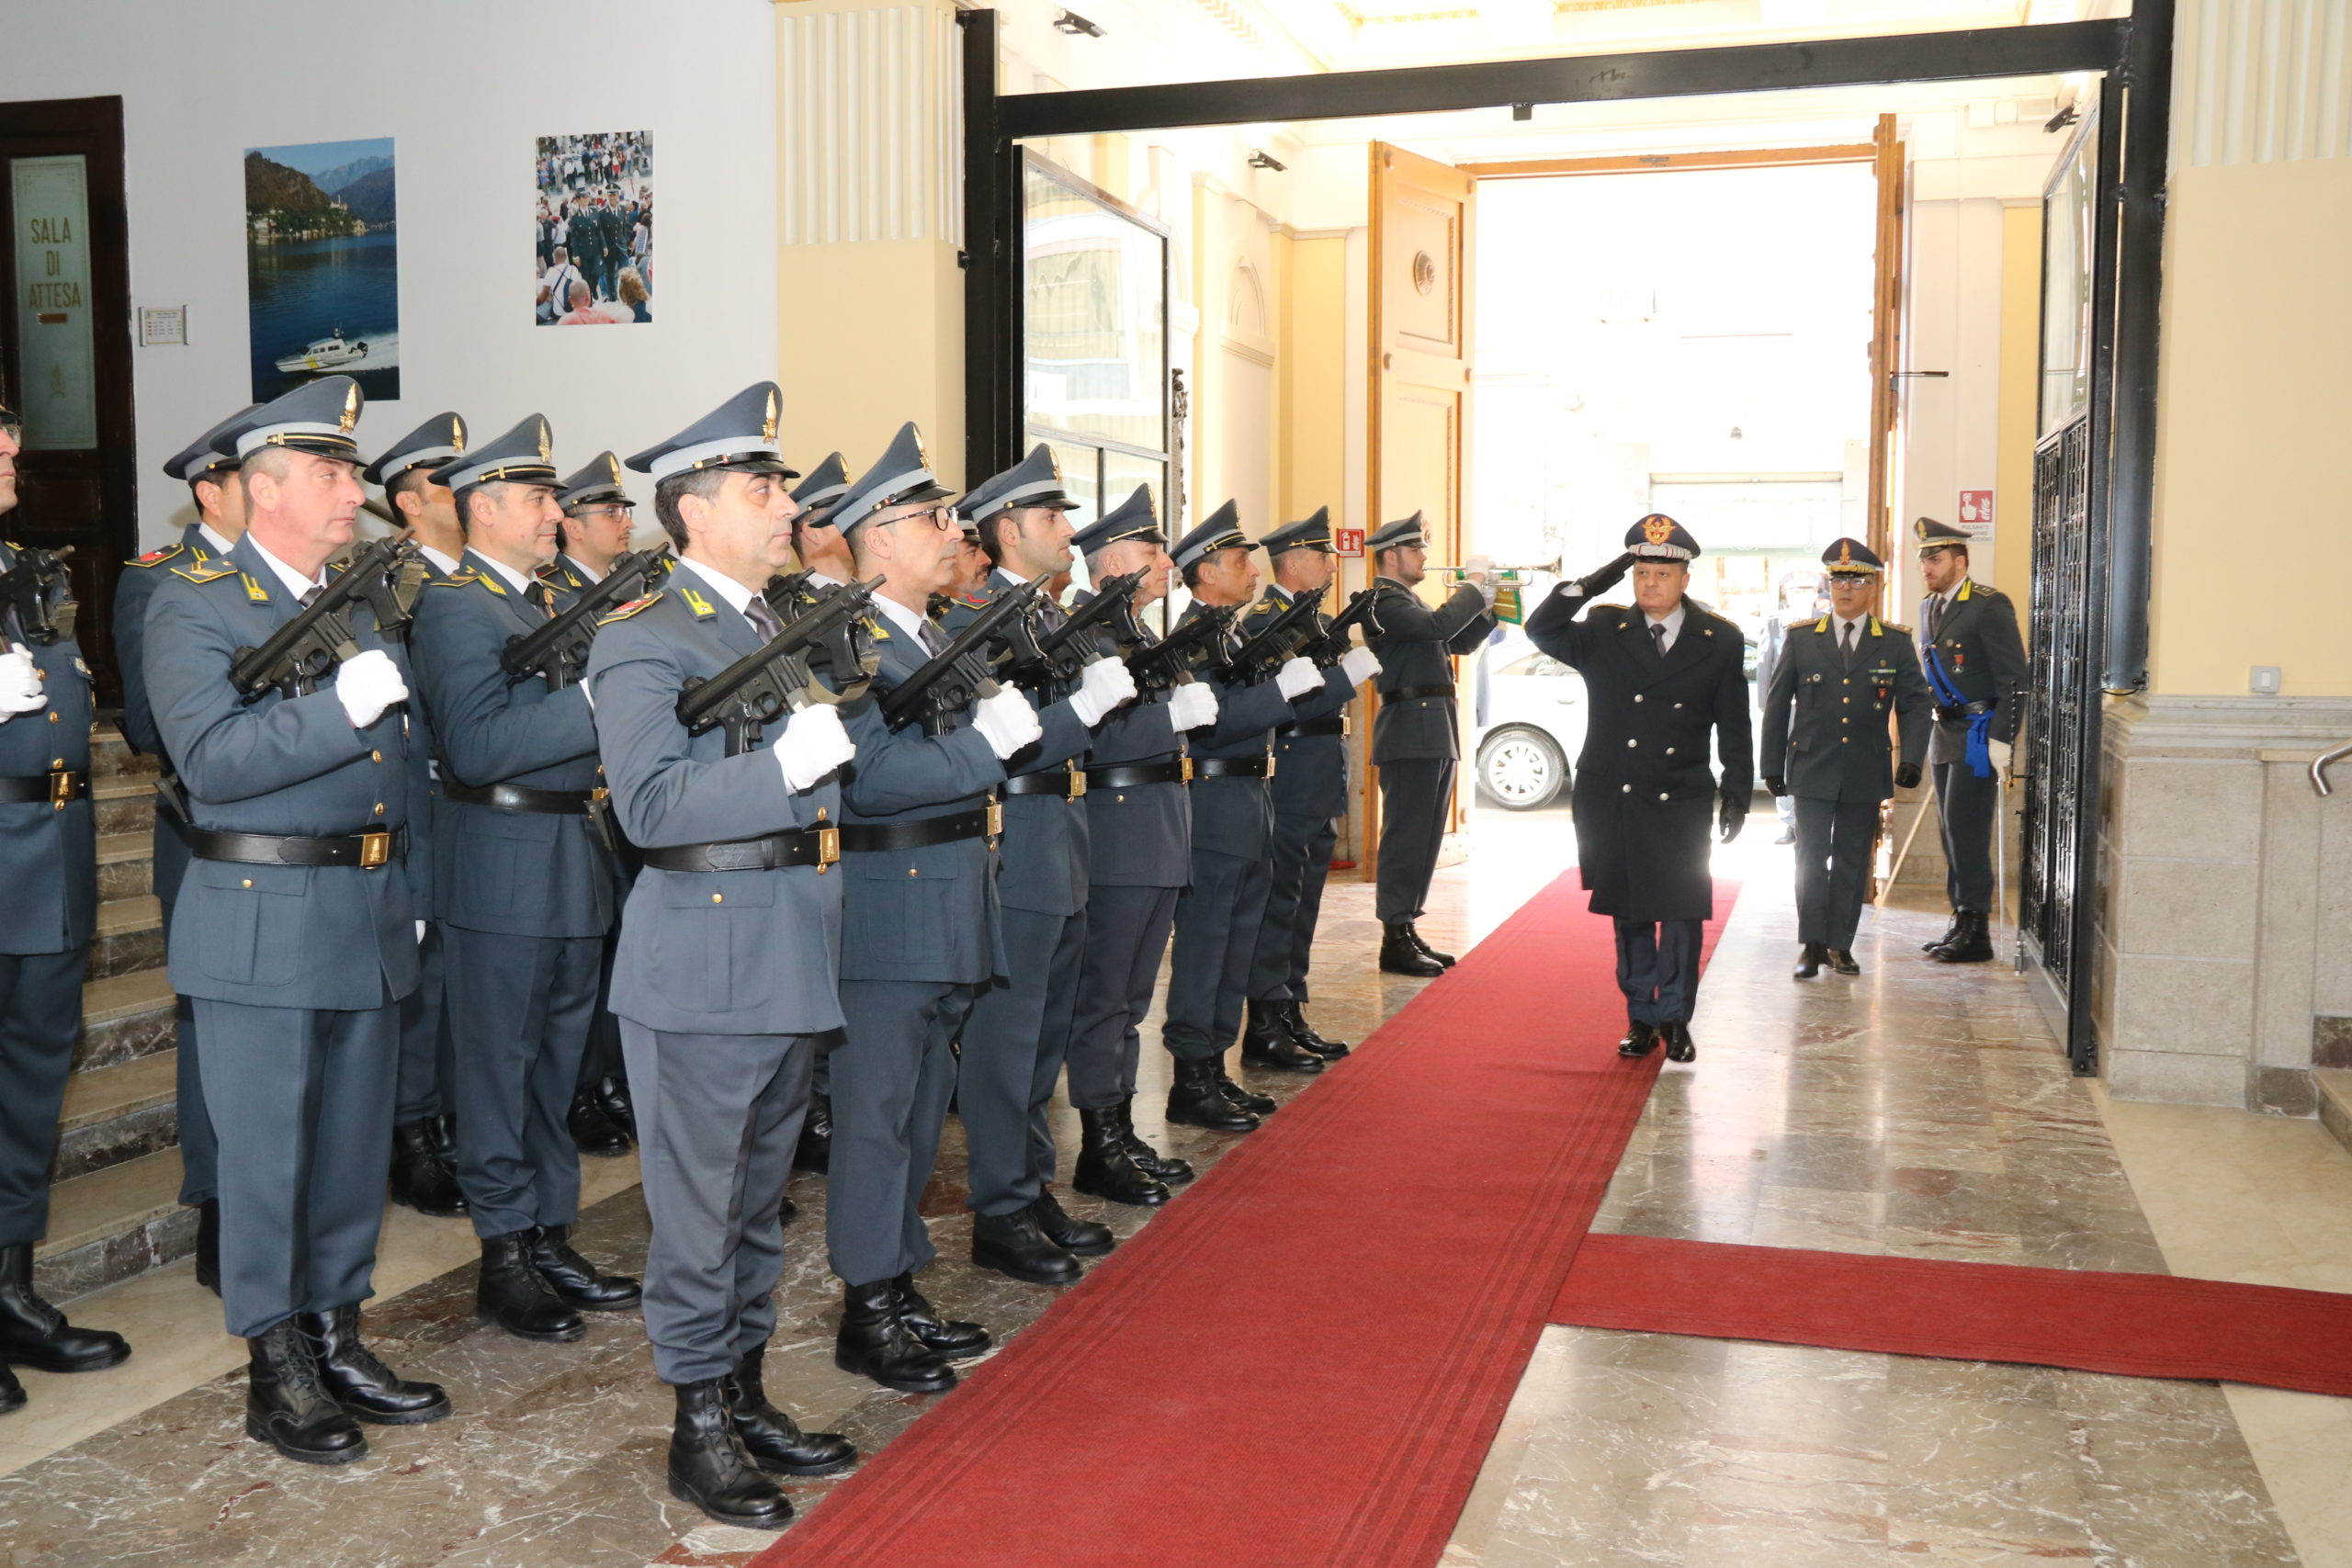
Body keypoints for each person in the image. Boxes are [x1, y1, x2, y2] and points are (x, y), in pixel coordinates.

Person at [144, 378, 449, 1463]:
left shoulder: (355, 601)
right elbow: (214, 761)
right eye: (331, 473)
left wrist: (404, 886)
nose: (353, 490)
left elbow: (399, 768)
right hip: (263, 913)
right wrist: (339, 708)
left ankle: (336, 1331)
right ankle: (275, 1367)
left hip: (365, 904)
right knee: (269, 1154)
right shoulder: (193, 601)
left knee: (350, 1146)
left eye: (351, 472)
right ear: (263, 489)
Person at [588, 383, 856, 1529]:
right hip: (700, 955)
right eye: (767, 488)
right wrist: (783, 770)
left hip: (786, 942)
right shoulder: (642, 637)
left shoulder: (767, 629)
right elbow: (648, 805)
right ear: (697, 513)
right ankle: (696, 1421)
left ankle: (742, 1392)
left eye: (782, 485)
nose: (789, 503)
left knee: (755, 1202)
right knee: (698, 1209)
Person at [822, 423, 1048, 1394]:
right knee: (875, 1116)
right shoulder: (849, 642)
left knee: (918, 1116)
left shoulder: (935, 633)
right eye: (931, 517)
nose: (952, 530)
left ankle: (898, 1278)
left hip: (954, 894)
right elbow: (871, 781)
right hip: (889, 903)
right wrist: (986, 748)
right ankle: (865, 1309)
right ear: (877, 537)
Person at [406, 417, 640, 1345]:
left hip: (566, 857)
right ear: (484, 508)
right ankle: (505, 1253)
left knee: (555, 1069)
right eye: (541, 499)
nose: (557, 513)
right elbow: (478, 745)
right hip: (501, 862)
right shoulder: (457, 606)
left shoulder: (539, 601)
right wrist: (593, 696)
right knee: (499, 1072)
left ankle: (550, 1232)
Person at [944, 446, 1135, 1286]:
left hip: (1063, 830)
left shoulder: (1048, 617)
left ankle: (1030, 1187)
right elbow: (1006, 738)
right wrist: (1080, 712)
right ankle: (999, 1208)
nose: (1068, 531)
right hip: (1016, 836)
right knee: (1007, 1040)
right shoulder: (972, 619)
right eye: (1053, 518)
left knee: (1046, 1036)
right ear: (1008, 529)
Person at [0, 397, 133, 1420]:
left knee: (31, 1085)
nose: (12, 456)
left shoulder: (27, 570)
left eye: (10, 440)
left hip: (47, 858)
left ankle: (9, 1289)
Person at [114, 409, 257, 1296]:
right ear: (211, 490)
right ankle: (214, 1202)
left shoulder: (304, 581)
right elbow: (145, 724)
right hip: (202, 835)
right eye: (256, 477)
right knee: (213, 1032)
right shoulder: (161, 580)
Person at [1525, 513, 1753, 1065]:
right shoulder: (1603, 630)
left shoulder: (1718, 639)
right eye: (1641, 572)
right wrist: (1594, 581)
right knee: (1630, 912)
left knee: (1680, 911)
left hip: (1682, 795)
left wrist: (1738, 792)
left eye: (1661, 574)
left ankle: (1675, 1018)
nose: (1650, 583)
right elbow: (1541, 630)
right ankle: (1640, 1016)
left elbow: (1735, 723)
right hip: (1615, 795)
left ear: (1685, 580)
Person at [1063, 486, 1224, 1203]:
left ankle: (1121, 1128)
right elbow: (1096, 738)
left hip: (1159, 824)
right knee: (1106, 996)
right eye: (1149, 549)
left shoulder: (1139, 635)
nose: (1166, 560)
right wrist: (1171, 722)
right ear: (1108, 566)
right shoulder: (1086, 636)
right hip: (1121, 830)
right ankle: (1098, 1143)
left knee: (1130, 998)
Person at [1163, 502, 1346, 1096]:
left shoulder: (1232, 632)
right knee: (1207, 943)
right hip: (1215, 801)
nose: (1252, 570)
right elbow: (1211, 723)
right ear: (1207, 572)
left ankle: (1216, 1066)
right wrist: (1280, 695)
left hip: (1253, 798)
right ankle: (1193, 1074)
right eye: (1239, 560)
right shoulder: (1190, 641)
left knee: (1237, 942)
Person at [363, 415, 474, 1220]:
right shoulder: (389, 583)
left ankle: (440, 1118)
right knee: (418, 974)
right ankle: (412, 1132)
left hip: (461, 801)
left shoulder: (475, 581)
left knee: (449, 977)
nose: (463, 496)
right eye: (446, 483)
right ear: (408, 502)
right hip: (416, 792)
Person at [1241, 507, 1382, 1060]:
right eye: (1323, 555)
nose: (1331, 563)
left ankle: (1291, 1008)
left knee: (1303, 904)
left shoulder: (1309, 619)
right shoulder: (1266, 624)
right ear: (1295, 561)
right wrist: (1342, 679)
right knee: (1281, 903)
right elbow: (1284, 703)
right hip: (1294, 774)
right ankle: (1266, 1023)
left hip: (1320, 773)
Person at [1758, 539, 1930, 978]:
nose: (1845, 589)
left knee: (1853, 860)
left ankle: (1841, 945)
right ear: (1828, 585)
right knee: (1810, 858)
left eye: (1856, 580)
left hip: (1865, 767)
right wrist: (1770, 765)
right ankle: (1811, 945)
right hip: (1812, 766)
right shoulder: (1802, 639)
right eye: (1838, 579)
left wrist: (1911, 756)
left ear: (1873, 587)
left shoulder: (1892, 643)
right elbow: (1777, 705)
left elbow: (1913, 704)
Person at [544, 453, 644, 1158]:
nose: (626, 521)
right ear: (571, 527)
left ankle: (609, 1077)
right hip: (579, 799)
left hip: (618, 797)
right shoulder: (552, 597)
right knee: (587, 958)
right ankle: (584, 1087)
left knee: (616, 954)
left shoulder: (628, 592)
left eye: (626, 509)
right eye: (611, 511)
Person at [1363, 512, 1498, 976]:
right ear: (1391, 555)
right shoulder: (1381, 601)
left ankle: (1406, 927)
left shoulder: (1408, 601)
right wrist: (1472, 587)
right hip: (1409, 729)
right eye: (1416, 549)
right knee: (1406, 837)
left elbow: (1453, 643)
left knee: (1425, 838)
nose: (1424, 556)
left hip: (1433, 726)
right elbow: (1437, 627)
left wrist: (1487, 608)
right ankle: (1393, 934)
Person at [1912, 516, 2029, 964]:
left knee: (1968, 830)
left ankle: (1978, 930)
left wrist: (2004, 738)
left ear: (1960, 561)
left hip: (1980, 735)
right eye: (1924, 559)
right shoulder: (1929, 607)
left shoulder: (1988, 605)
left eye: (1935, 559)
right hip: (1946, 732)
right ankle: (1961, 919)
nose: (1927, 567)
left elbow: (2014, 680)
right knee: (1950, 832)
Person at [1754, 571, 1826, 845]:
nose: (1803, 595)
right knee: (1782, 764)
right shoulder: (1774, 624)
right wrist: (1767, 707)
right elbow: (1765, 666)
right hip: (1785, 708)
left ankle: (1810, 819)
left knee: (1811, 761)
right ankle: (1789, 824)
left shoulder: (1826, 622)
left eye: (1809, 590)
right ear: (1786, 594)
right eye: (1796, 591)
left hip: (1816, 707)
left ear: (1817, 594)